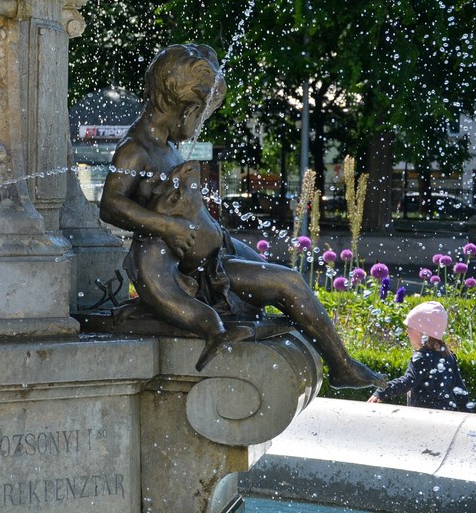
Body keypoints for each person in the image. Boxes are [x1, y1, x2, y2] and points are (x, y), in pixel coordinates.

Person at [99, 44, 386, 389]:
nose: (201, 124)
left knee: (276, 279)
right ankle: (342, 367)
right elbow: (110, 204)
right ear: (187, 109)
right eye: (203, 116)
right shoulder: (135, 149)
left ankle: (332, 358)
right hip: (200, 271)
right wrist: (168, 226)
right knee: (289, 283)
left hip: (219, 250)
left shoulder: (166, 146)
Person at [368, 301, 474, 412]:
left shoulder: (421, 357)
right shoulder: (449, 357)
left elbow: (407, 381)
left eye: (409, 327)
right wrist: (468, 414)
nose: (407, 332)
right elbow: (460, 391)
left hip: (422, 418)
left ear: (422, 331)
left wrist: (383, 391)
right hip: (444, 416)